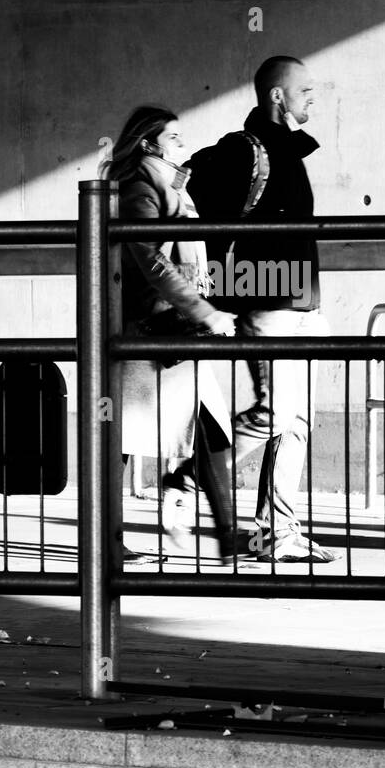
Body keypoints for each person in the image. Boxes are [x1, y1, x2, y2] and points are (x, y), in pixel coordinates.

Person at [177, 57, 341, 563]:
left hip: (299, 301)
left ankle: (277, 532)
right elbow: (191, 208)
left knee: (297, 423)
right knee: (274, 416)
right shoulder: (243, 151)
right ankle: (195, 473)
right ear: (277, 96)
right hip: (266, 299)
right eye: (305, 90)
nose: (314, 97)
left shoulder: (290, 153)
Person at [101, 106, 248, 564]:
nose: (183, 143)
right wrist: (205, 312)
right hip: (151, 332)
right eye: (174, 137)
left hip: (173, 332)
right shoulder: (141, 187)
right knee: (124, 442)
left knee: (209, 433)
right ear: (150, 144)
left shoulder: (170, 184)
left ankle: (227, 535)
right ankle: (107, 544)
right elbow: (151, 258)